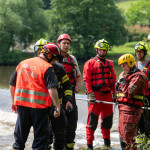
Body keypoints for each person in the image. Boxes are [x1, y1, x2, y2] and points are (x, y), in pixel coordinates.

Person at [10, 43, 61, 150]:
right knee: (40, 141)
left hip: (22, 107)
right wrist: (58, 106)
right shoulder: (47, 67)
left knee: (19, 140)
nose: (55, 61)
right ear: (50, 55)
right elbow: (52, 89)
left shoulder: (23, 63)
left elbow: (12, 84)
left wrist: (14, 101)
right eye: (55, 58)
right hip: (40, 109)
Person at [34, 39, 73, 150]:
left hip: (57, 106)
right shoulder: (37, 67)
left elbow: (67, 85)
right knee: (43, 134)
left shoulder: (59, 68)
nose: (56, 60)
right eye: (55, 57)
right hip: (42, 107)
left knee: (61, 132)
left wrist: (69, 100)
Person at [83, 39, 117, 150]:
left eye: (104, 50)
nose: (102, 51)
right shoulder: (90, 63)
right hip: (95, 95)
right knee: (92, 122)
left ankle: (107, 144)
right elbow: (86, 80)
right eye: (101, 49)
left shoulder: (110, 63)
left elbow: (113, 80)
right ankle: (89, 145)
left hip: (107, 95)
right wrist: (90, 94)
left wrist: (115, 94)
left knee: (107, 121)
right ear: (97, 49)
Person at [116, 54, 148, 150]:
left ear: (130, 63)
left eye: (124, 65)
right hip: (123, 111)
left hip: (130, 112)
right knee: (123, 136)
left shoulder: (138, 77)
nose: (123, 68)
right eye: (122, 66)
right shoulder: (128, 76)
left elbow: (129, 93)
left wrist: (122, 80)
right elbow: (120, 90)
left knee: (128, 138)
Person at [57, 33, 81, 150]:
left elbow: (78, 76)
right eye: (64, 43)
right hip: (56, 92)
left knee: (72, 120)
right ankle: (57, 145)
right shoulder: (54, 58)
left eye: (68, 43)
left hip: (70, 92)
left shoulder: (72, 59)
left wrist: (77, 86)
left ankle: (69, 145)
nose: (66, 45)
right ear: (59, 44)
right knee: (57, 120)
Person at [134, 41, 150, 146]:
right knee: (138, 122)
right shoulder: (134, 65)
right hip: (137, 98)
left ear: (145, 52)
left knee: (148, 121)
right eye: (137, 52)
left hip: (148, 97)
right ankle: (141, 145)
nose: (138, 54)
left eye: (140, 52)